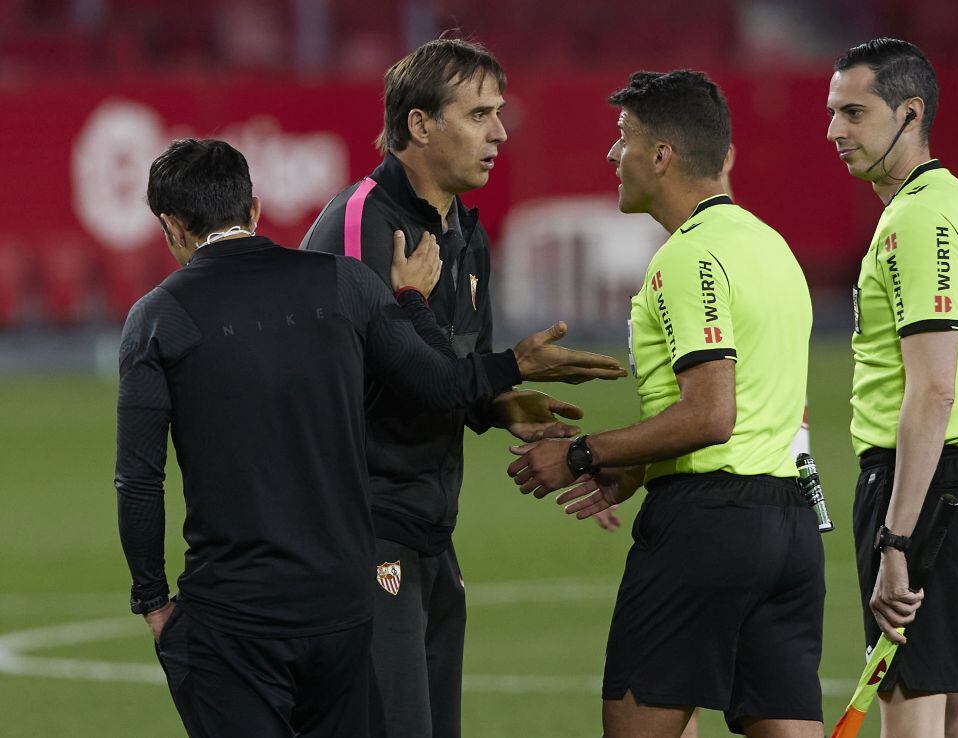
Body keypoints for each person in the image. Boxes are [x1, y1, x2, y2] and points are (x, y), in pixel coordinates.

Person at [116, 138, 615, 737]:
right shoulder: (347, 284)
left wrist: (154, 602)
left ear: (171, 225)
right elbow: (439, 384)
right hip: (343, 611)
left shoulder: (158, 317)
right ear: (253, 208)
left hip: (234, 616)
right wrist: (485, 351)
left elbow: (139, 480)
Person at [299, 37, 625, 738]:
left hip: (426, 528)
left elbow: (448, 375)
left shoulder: (463, 235)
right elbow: (402, 370)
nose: (500, 133)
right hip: (356, 530)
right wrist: (510, 370)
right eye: (479, 114)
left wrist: (502, 406)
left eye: (498, 113)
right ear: (420, 125)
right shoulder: (367, 222)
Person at [508, 70, 823, 738]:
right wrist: (635, 471)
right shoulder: (774, 249)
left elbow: (712, 415)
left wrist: (581, 454)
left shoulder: (688, 259)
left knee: (635, 723)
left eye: (622, 139)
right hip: (790, 527)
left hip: (708, 526)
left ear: (662, 156)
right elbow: (774, 411)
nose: (611, 156)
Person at [826, 38, 958, 737]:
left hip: (924, 489)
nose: (835, 131)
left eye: (854, 112)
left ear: (910, 113)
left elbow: (933, 389)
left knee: (911, 711)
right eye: (832, 112)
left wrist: (897, 538)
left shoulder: (917, 220)